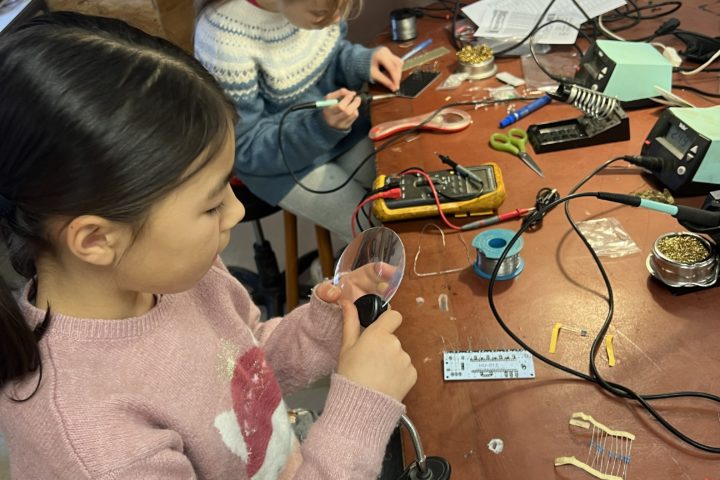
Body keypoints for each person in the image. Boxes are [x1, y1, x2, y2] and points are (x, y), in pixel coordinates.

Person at [0, 12, 416, 479]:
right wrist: (358, 415)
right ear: (96, 239)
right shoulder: (94, 451)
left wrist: (326, 324)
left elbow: (245, 366)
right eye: (212, 204)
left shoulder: (178, 274)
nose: (236, 212)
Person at [194, 0, 404, 242]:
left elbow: (330, 55)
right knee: (377, 234)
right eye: (321, 14)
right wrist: (319, 128)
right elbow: (246, 149)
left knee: (407, 193)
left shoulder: (317, 8)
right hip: (277, 163)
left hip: (335, 130)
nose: (336, 20)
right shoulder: (223, 42)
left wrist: (360, 61)